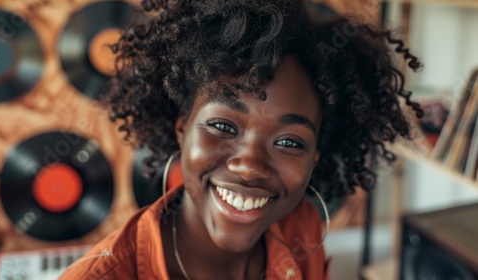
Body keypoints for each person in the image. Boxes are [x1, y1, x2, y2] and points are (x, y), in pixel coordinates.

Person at [60, 0, 423, 279]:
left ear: (315, 158)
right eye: (223, 126)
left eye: (290, 142)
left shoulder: (301, 229)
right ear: (182, 128)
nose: (249, 167)